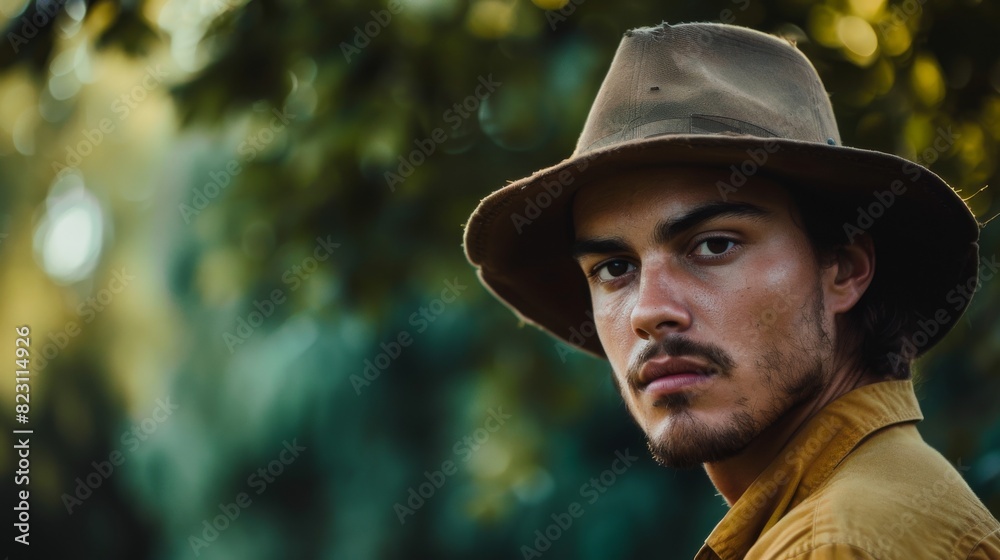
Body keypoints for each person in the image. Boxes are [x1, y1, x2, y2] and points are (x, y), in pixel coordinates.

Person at [463, 22, 999, 559]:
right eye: (614, 267)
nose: (648, 312)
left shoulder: (835, 543)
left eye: (714, 246)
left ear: (843, 269)